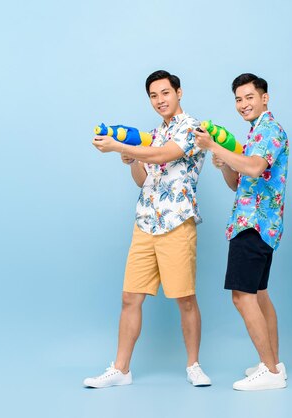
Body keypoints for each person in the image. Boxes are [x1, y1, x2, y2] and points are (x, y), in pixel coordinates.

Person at [86, 70, 211, 388]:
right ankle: (121, 369)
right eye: (154, 95)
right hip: (145, 222)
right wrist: (132, 160)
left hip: (176, 223)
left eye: (165, 93)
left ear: (178, 92)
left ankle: (194, 365)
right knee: (130, 298)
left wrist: (117, 147)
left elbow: (165, 154)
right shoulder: (154, 133)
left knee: (184, 298)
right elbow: (145, 180)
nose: (160, 100)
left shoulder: (192, 129)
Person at [194, 73, 289, 391]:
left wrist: (213, 145)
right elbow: (239, 182)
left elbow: (255, 167)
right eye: (238, 98)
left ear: (265, 98)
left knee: (242, 296)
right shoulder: (255, 134)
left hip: (254, 224)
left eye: (249, 96)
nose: (243, 103)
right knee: (260, 295)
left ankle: (271, 372)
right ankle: (273, 364)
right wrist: (224, 164)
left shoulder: (270, 130)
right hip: (253, 222)